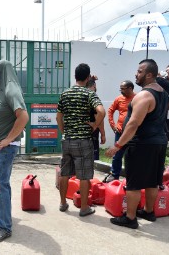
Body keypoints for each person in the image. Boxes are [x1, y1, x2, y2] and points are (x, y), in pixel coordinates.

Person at [106, 59, 169, 229]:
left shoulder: (144, 95)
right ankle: (148, 211)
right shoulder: (163, 92)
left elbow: (133, 124)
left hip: (142, 144)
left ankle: (130, 217)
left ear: (149, 74)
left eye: (140, 71)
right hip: (159, 142)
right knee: (152, 181)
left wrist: (118, 145)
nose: (136, 74)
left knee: (133, 183)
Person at [0, 60, 29, 243]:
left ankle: (4, 227)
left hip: (3, 148)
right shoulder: (0, 89)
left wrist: (8, 139)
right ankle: (4, 219)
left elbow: (23, 116)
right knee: (1, 185)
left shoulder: (11, 89)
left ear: (3, 70)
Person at [57, 63, 105, 218]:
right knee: (84, 176)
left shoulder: (65, 93)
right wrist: (95, 125)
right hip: (84, 140)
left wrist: (64, 131)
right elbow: (101, 111)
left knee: (65, 173)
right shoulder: (89, 94)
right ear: (88, 77)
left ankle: (63, 203)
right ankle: (84, 208)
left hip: (67, 140)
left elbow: (58, 117)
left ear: (75, 76)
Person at [106, 80, 136, 182]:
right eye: (120, 89)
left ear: (130, 88)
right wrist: (112, 125)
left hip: (133, 133)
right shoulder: (119, 99)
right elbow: (110, 111)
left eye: (123, 89)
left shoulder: (138, 98)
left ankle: (131, 178)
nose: (121, 91)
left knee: (132, 156)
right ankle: (114, 176)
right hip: (120, 132)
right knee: (117, 155)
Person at [86, 79, 106, 160]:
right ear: (94, 86)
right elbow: (100, 114)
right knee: (93, 156)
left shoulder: (79, 95)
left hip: (79, 130)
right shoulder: (93, 97)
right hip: (92, 129)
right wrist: (103, 134)